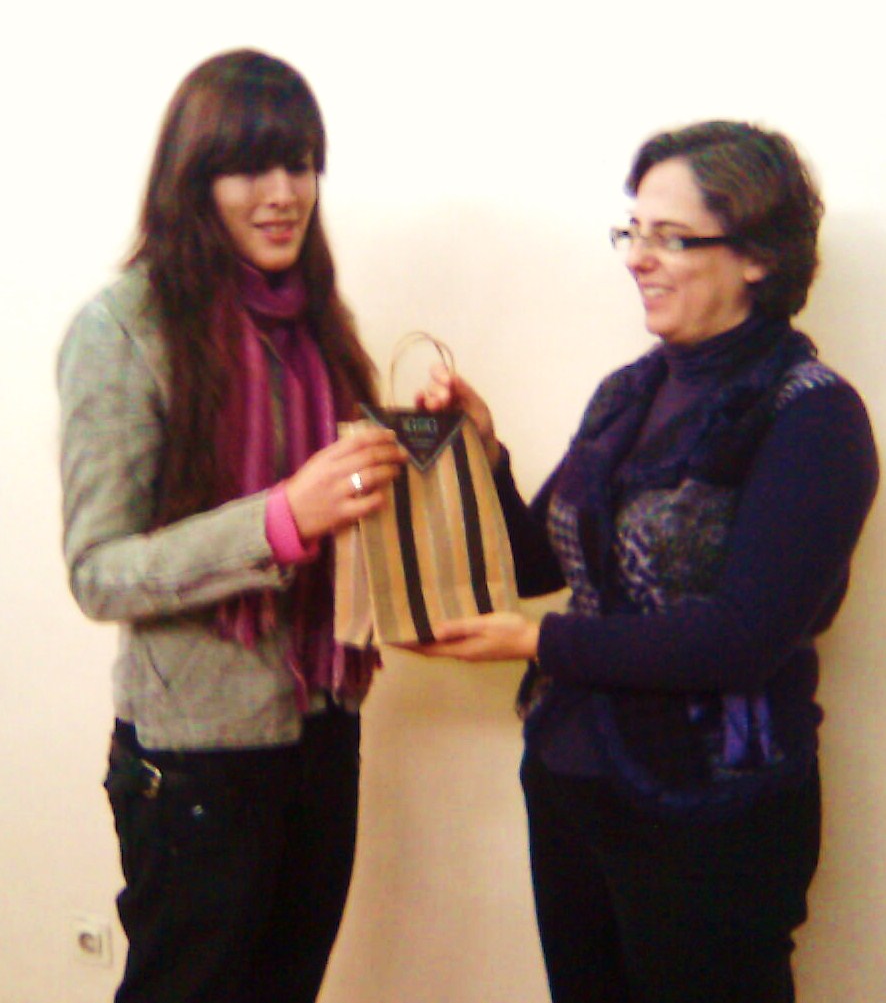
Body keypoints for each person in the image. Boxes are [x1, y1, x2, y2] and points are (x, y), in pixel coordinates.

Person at [414, 121, 879, 1002]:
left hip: (713, 817)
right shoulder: (629, 392)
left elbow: (743, 638)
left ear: (758, 256)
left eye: (671, 236)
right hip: (570, 788)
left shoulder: (814, 417)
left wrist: (539, 642)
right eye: (632, 230)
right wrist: (484, 452)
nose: (637, 257)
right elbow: (536, 560)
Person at [58, 49, 406, 1003]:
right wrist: (279, 520)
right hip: (196, 753)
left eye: (300, 163)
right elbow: (98, 570)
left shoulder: (316, 321)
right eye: (250, 166)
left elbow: (352, 506)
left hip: (325, 725)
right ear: (193, 177)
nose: (283, 192)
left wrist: (436, 447)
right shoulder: (123, 328)